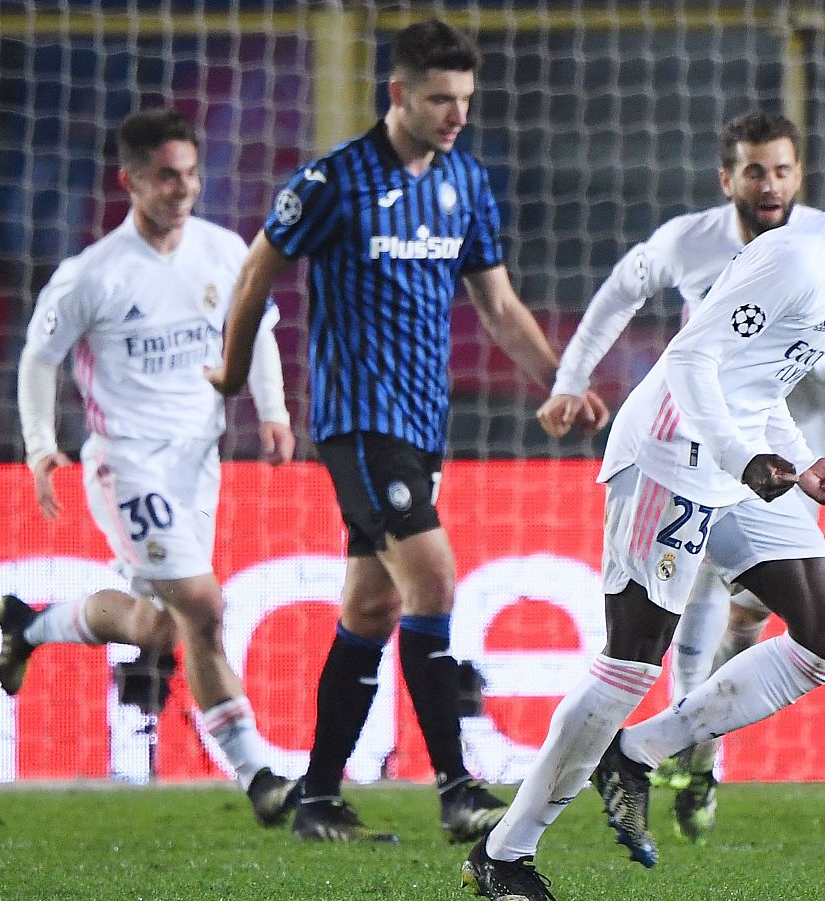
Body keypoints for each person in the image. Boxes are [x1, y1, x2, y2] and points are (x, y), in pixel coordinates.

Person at [462, 125, 825, 900]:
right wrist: (742, 458)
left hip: (736, 463)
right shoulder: (801, 256)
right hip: (668, 453)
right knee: (631, 662)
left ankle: (639, 753)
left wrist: (801, 464)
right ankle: (504, 852)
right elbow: (691, 356)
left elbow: (760, 382)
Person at [209, 19, 603, 843]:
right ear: (397, 93)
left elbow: (497, 303)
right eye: (439, 99)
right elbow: (256, 270)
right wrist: (233, 370)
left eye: (464, 99)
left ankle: (317, 796)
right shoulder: (334, 181)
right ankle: (458, 787)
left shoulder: (464, 179)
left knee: (373, 604)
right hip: (358, 423)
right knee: (433, 582)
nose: (456, 113)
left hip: (424, 429)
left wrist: (562, 380)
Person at [536, 111, 825, 843]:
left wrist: (787, 346)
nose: (771, 185)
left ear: (801, 175)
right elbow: (620, 292)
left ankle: (694, 756)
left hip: (783, 464)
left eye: (783, 170)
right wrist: (572, 376)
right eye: (755, 170)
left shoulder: (824, 251)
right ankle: (639, 770)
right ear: (728, 177)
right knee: (673, 621)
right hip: (696, 453)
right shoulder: (687, 241)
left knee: (766, 620)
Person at [3, 108, 298, 823]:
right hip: (126, 464)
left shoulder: (226, 251)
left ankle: (31, 626)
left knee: (167, 626)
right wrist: (43, 446)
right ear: (130, 180)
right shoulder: (90, 275)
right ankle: (257, 770)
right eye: (167, 176)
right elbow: (37, 360)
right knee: (205, 605)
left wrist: (274, 409)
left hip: (200, 461)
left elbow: (252, 326)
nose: (184, 188)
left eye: (192, 174)